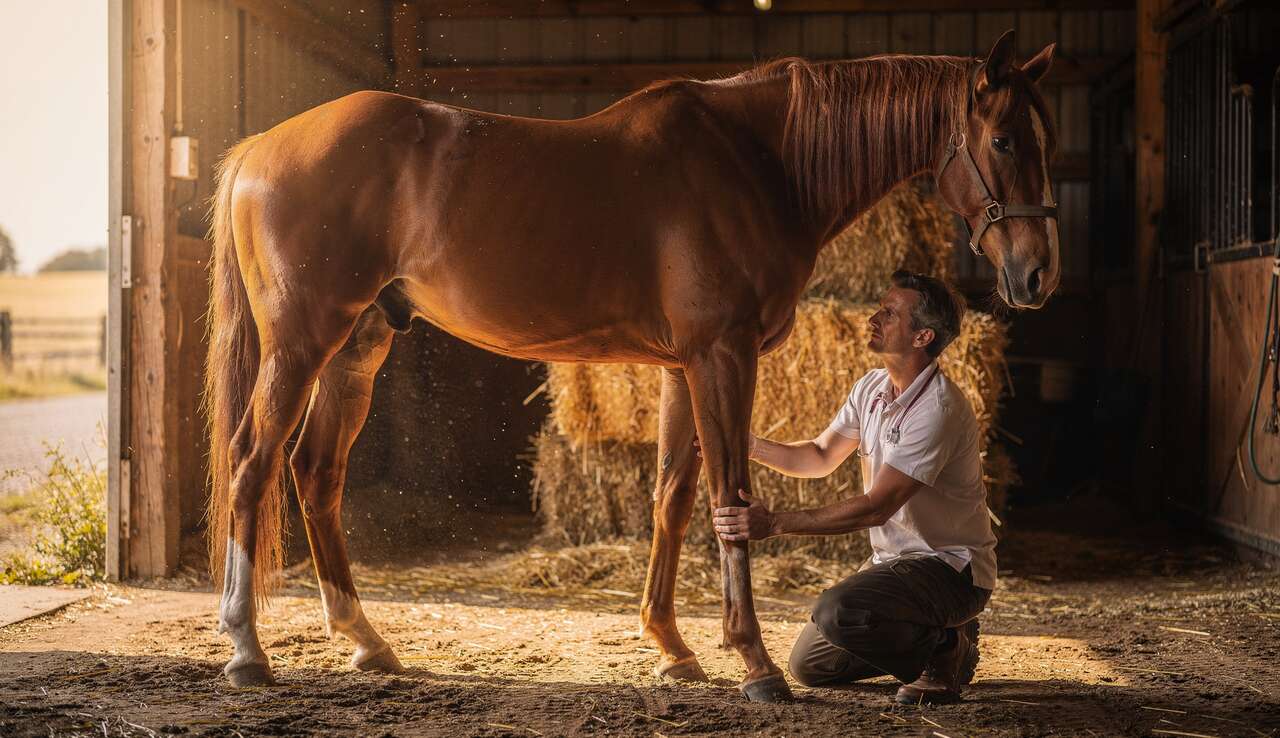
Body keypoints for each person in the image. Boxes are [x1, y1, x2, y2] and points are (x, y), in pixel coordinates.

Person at [709, 270, 997, 704]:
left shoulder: (937, 409)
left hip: (948, 569)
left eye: (890, 313)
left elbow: (876, 507)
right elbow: (820, 455)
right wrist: (747, 445)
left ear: (922, 337)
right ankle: (936, 633)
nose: (873, 319)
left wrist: (775, 523)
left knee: (838, 612)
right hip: (893, 564)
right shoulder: (872, 387)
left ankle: (945, 648)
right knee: (810, 666)